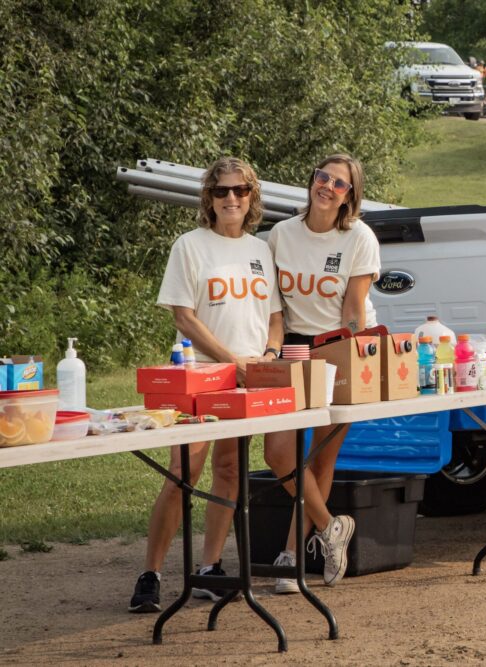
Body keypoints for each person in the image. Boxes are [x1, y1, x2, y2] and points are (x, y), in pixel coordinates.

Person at [129, 157, 284, 613]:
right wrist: (230, 360)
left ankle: (210, 568)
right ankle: (151, 574)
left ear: (252, 196)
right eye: (221, 192)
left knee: (231, 470)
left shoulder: (261, 250)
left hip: (246, 378)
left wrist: (269, 357)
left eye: (240, 191)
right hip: (200, 374)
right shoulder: (190, 246)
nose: (231, 199)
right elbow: (183, 315)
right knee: (183, 473)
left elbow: (274, 318)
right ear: (208, 199)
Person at [263, 153, 380, 592]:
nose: (327, 187)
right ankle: (332, 528)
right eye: (322, 177)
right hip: (293, 345)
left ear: (350, 196)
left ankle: (292, 556)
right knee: (278, 453)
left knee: (320, 457)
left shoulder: (359, 237)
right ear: (311, 180)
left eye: (339, 184)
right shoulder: (280, 234)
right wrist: (272, 351)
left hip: (338, 347)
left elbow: (354, 310)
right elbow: (273, 304)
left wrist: (355, 361)